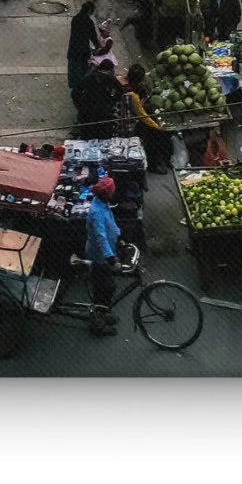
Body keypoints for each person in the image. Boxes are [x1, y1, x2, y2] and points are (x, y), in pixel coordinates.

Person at [81, 177, 123, 332]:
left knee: (107, 287)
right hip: (98, 256)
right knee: (105, 287)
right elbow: (101, 237)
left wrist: (120, 239)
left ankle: (104, 311)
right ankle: (98, 320)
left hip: (106, 252)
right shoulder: (96, 212)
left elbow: (111, 224)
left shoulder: (103, 205)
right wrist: (111, 259)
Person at [123, 63, 174, 173]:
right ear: (140, 80)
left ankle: (162, 160)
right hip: (132, 124)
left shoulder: (124, 85)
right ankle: (153, 165)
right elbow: (142, 116)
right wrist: (158, 127)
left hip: (130, 120)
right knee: (155, 138)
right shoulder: (133, 95)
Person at [66, 0, 111, 98]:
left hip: (73, 48)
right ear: (89, 11)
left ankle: (74, 85)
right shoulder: (88, 22)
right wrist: (98, 47)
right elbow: (93, 37)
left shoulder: (75, 19)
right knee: (83, 69)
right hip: (83, 49)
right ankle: (82, 87)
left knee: (73, 68)